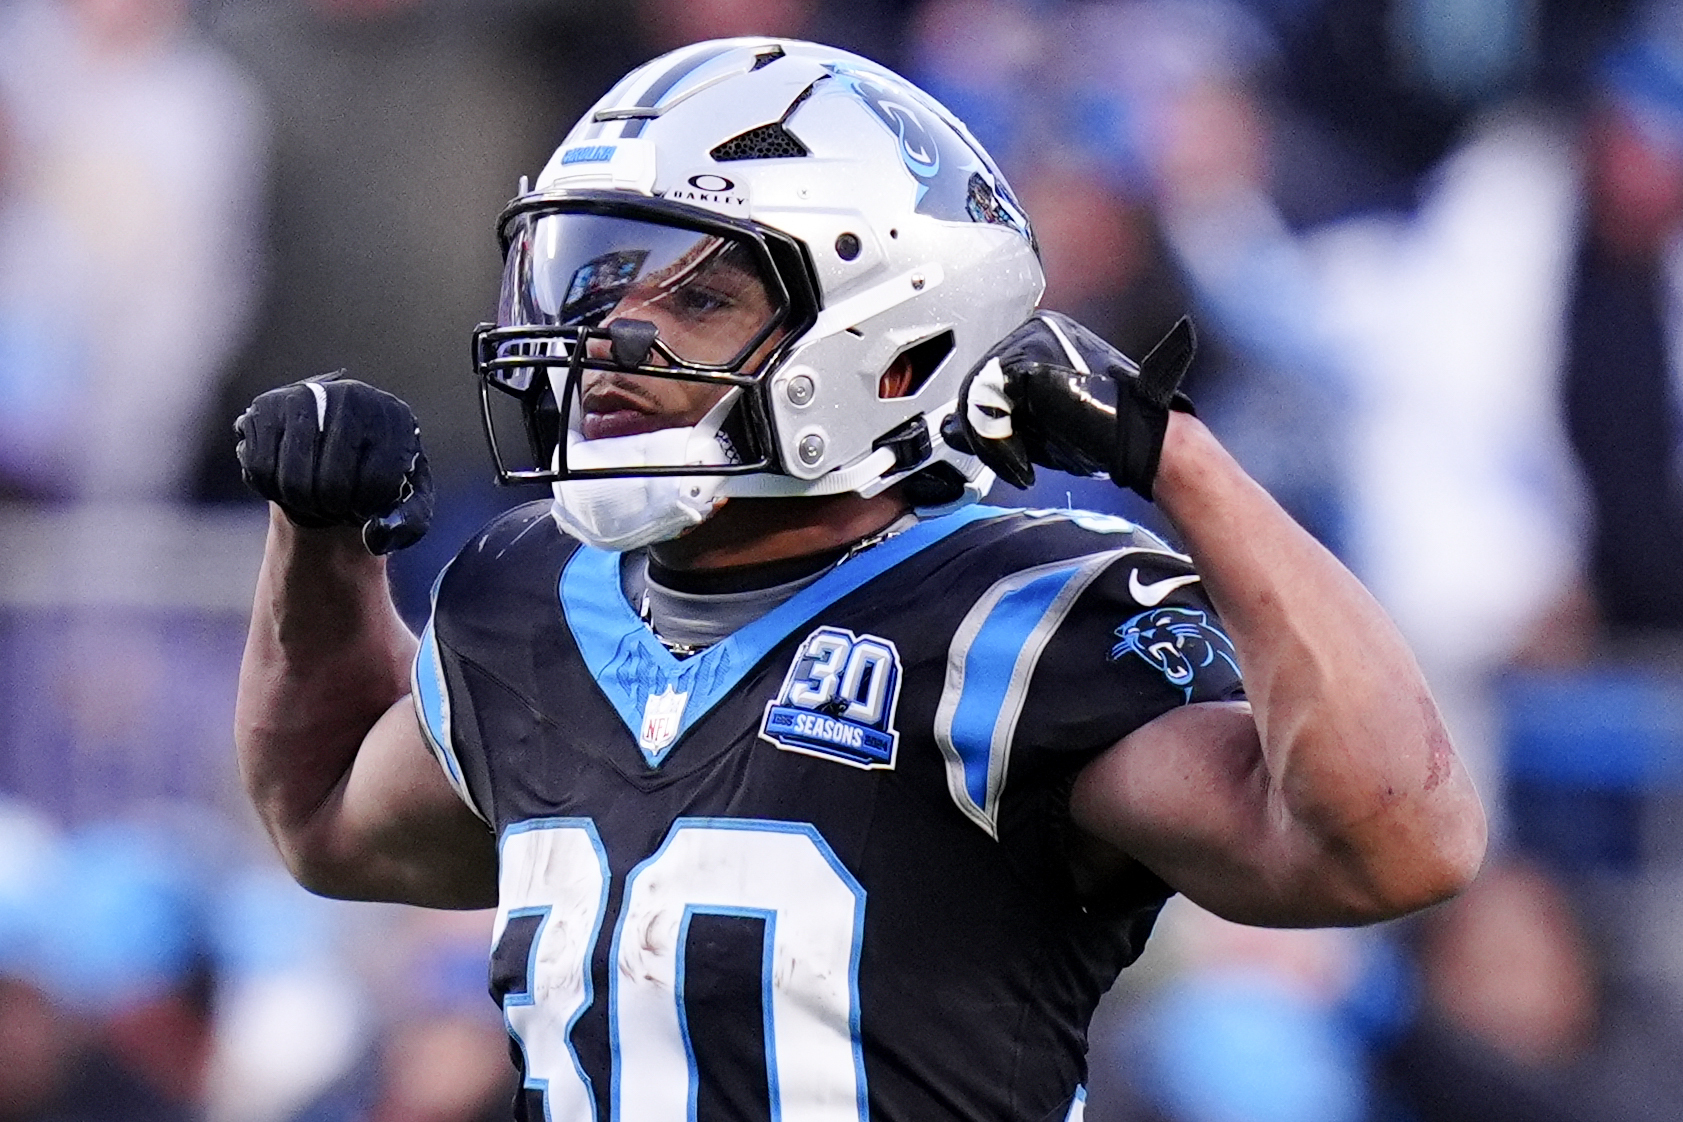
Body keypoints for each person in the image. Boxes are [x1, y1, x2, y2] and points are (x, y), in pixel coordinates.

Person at [232, 37, 1486, 1122]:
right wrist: (322, 540)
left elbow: (1398, 845)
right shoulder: (535, 596)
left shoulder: (1015, 618)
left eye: (702, 296)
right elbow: (330, 819)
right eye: (599, 277)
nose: (609, 337)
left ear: (882, 335)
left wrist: (1179, 460)